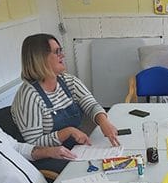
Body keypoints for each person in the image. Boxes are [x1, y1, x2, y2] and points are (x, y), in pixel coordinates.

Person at [11, 33, 119, 172]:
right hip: (48, 157)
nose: (62, 56)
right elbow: (33, 145)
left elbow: (91, 105)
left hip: (74, 146)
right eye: (57, 52)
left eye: (61, 51)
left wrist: (104, 122)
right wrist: (67, 132)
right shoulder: (28, 96)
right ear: (40, 59)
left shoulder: (68, 81)